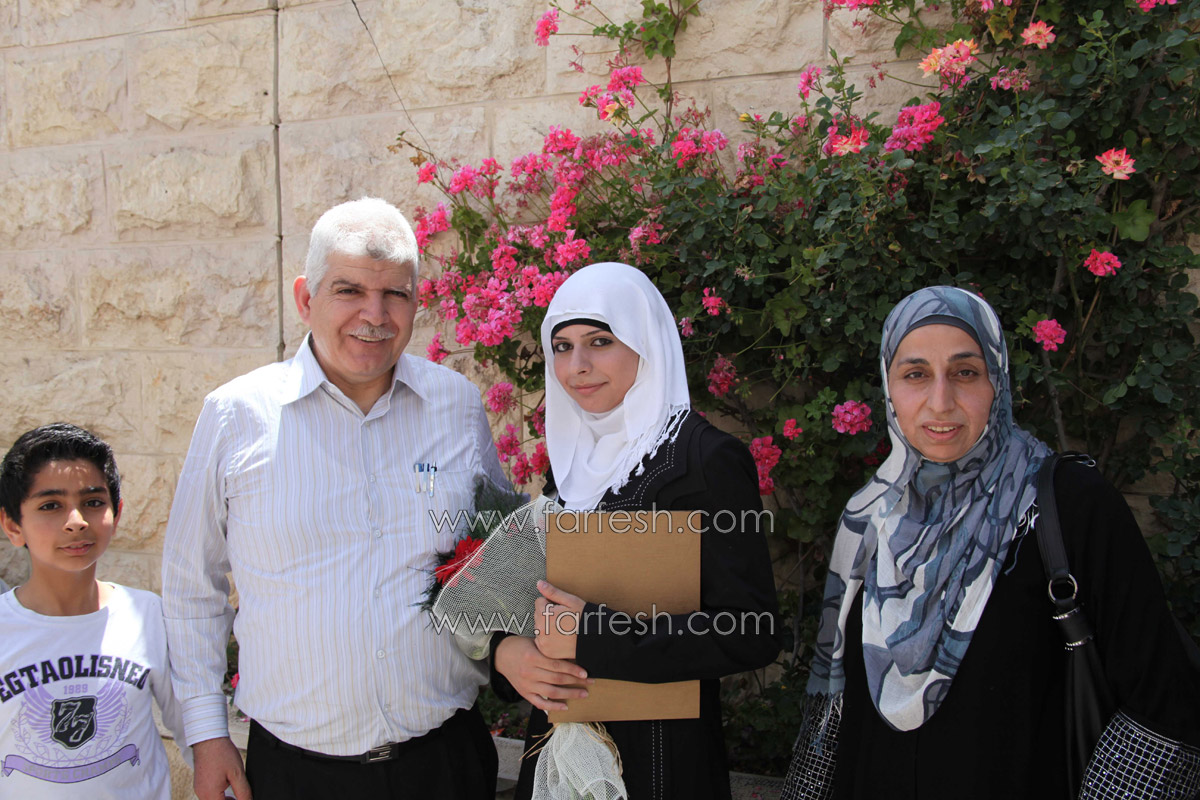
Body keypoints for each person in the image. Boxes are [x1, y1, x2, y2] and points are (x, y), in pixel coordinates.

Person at [781, 286, 1200, 799]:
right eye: (915, 374)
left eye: (965, 372)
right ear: (889, 388)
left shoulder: (1070, 505)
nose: (941, 401)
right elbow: (835, 719)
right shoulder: (870, 516)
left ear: (997, 380)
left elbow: (1162, 699)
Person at [161, 197, 508, 800]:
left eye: (395, 294)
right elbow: (192, 586)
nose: (374, 315)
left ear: (416, 303)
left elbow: (496, 558)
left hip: (444, 763)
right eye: (349, 290)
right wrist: (206, 732)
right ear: (305, 299)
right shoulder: (236, 417)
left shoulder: (457, 406)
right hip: (296, 775)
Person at [491, 261, 781, 800]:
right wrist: (506, 653)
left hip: (658, 763)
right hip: (557, 756)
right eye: (562, 347)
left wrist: (595, 637)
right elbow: (537, 594)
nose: (577, 366)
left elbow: (751, 631)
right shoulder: (573, 464)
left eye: (600, 342)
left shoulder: (704, 460)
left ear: (644, 341)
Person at [0, 423, 190, 799]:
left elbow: (196, 732)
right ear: (13, 525)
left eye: (93, 502)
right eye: (50, 505)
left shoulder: (149, 616)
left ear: (116, 514)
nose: (77, 521)